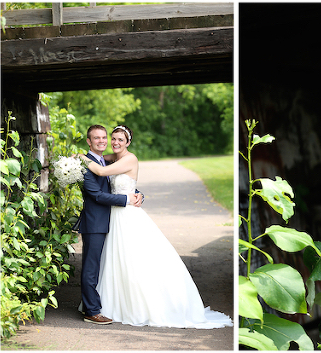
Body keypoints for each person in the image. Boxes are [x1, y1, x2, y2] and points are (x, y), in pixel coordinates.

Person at [80, 125, 232, 329]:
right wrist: (81, 158)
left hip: (125, 215)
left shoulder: (127, 159)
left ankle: (138, 306)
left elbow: (103, 172)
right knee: (114, 261)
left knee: (136, 261)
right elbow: (107, 175)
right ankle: (101, 307)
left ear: (128, 142)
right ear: (90, 141)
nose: (114, 142)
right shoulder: (109, 158)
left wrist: (81, 158)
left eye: (119, 139)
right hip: (112, 217)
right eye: (112, 138)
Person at [78, 124, 142, 325]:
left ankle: (119, 305)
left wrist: (137, 195)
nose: (104, 141)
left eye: (104, 137)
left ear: (128, 142)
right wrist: (126, 199)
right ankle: (91, 311)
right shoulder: (87, 164)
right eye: (97, 138)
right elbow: (97, 195)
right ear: (89, 141)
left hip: (114, 220)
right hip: (95, 222)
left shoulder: (106, 160)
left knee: (118, 263)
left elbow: (121, 184)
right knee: (91, 267)